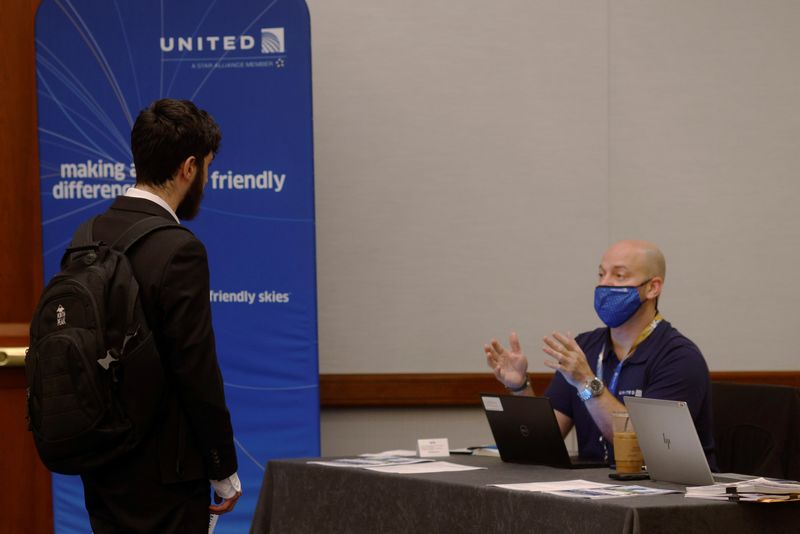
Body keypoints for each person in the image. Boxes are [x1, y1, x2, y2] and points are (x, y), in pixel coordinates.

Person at [79, 98, 241, 532]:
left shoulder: (88, 236)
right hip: (168, 477)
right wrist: (222, 468)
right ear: (189, 168)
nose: (206, 179)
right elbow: (196, 371)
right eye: (207, 167)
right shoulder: (179, 249)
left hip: (102, 466)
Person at [484, 240, 717, 468]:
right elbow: (538, 443)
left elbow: (644, 448)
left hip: (667, 493)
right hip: (596, 490)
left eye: (619, 276)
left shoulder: (679, 357)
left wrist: (587, 382)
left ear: (652, 287)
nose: (604, 285)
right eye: (601, 274)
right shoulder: (585, 347)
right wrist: (519, 387)